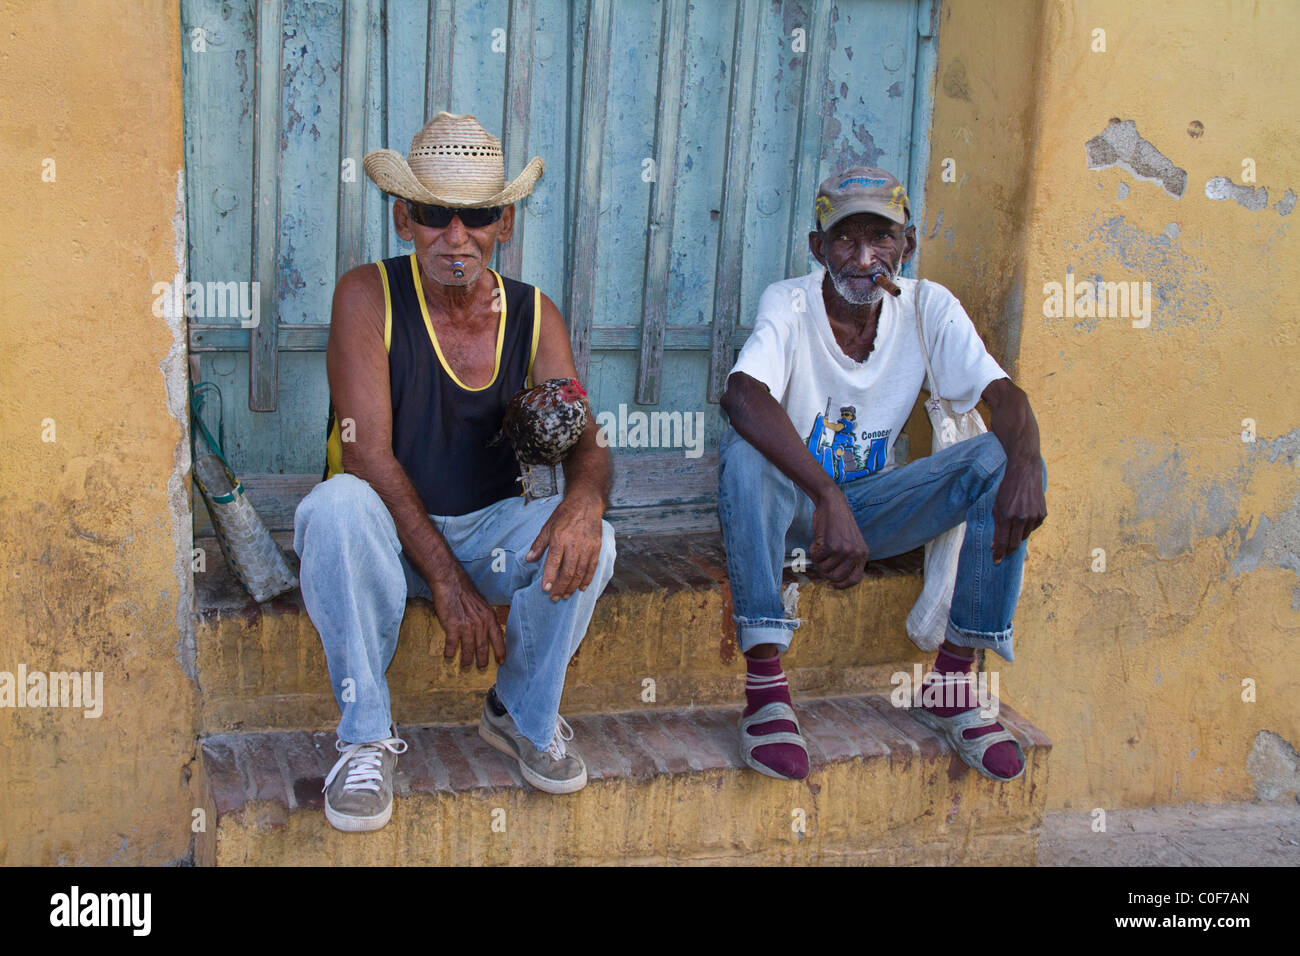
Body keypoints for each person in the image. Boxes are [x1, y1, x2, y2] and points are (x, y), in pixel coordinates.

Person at [293, 112, 616, 832]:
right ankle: (367, 736)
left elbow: (587, 441)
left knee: (599, 538)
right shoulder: (366, 295)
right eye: (437, 214)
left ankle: (520, 712)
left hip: (491, 530)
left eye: (474, 216)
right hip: (386, 540)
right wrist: (448, 583)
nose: (456, 236)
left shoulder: (534, 314)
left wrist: (584, 501)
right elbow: (367, 452)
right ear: (405, 218)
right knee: (334, 506)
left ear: (504, 223)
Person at [717, 166, 1048, 783]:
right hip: (791, 509)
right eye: (846, 238)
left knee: (1001, 457)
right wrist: (825, 495)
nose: (866, 257)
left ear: (907, 244)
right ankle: (765, 689)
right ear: (819, 248)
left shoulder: (927, 307)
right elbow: (741, 393)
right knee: (744, 452)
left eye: (883, 238)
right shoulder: (789, 302)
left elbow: (1005, 398)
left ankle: (953, 681)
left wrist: (1026, 465)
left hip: (871, 512)